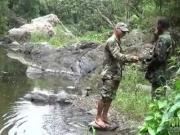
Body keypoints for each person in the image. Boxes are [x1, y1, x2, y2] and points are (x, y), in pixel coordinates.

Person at [94, 22, 139, 128]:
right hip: (109, 74)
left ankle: (104, 116)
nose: (124, 33)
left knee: (111, 97)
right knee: (104, 96)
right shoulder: (112, 41)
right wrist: (131, 58)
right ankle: (97, 118)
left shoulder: (118, 41)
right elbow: (117, 55)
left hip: (115, 74)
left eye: (125, 32)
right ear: (116, 29)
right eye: (122, 31)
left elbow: (118, 59)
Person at [145, 18, 174, 99]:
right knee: (160, 95)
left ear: (160, 25)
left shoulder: (163, 38)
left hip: (158, 72)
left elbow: (159, 58)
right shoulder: (168, 37)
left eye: (157, 25)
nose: (156, 27)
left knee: (157, 97)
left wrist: (149, 65)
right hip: (163, 70)